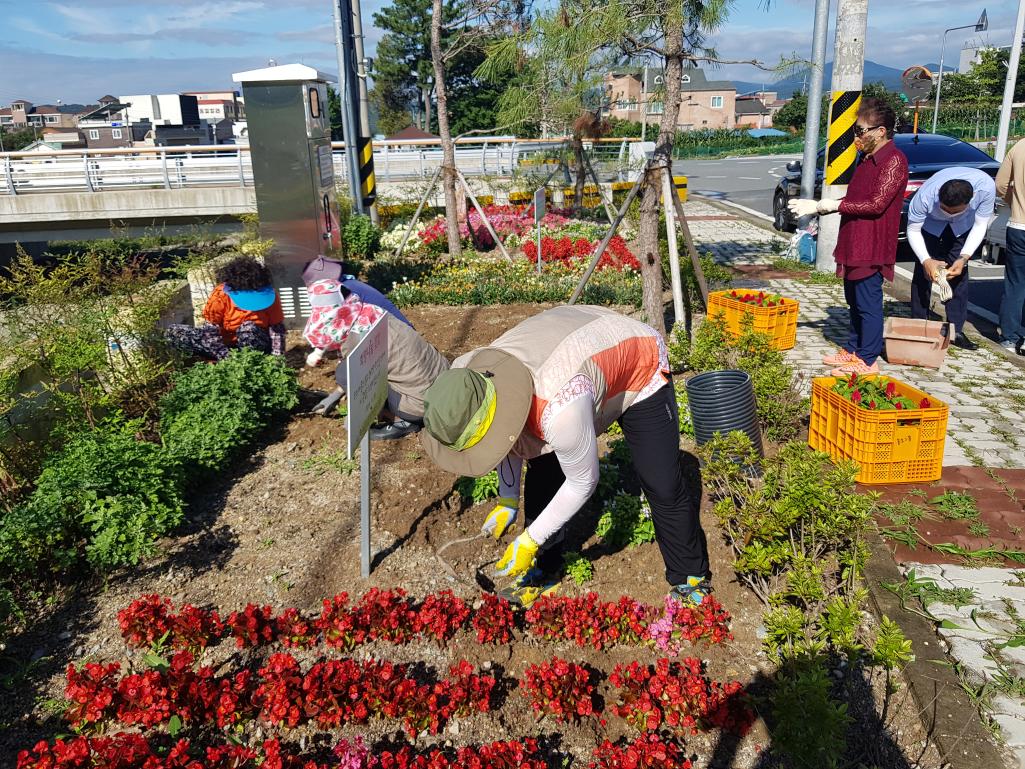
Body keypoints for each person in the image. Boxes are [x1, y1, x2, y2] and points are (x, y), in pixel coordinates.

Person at [419, 305, 710, 608]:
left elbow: (583, 480)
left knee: (661, 480)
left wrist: (531, 539)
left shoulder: (560, 407)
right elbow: (499, 440)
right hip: (570, 347)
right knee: (543, 473)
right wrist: (507, 499)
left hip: (636, 359)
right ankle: (545, 569)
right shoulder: (467, 376)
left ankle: (690, 576)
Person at [788, 98, 909, 375]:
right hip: (854, 238)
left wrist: (829, 205)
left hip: (872, 242)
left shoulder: (893, 161)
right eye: (856, 130)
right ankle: (854, 349)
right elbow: (857, 198)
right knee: (854, 300)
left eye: (861, 130)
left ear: (881, 131)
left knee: (868, 303)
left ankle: (867, 358)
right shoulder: (866, 159)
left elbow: (877, 204)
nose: (858, 136)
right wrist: (824, 206)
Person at [305, 278, 449, 440]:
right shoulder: (370, 311)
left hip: (421, 404)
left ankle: (401, 421)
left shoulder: (356, 337)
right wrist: (335, 395)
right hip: (444, 379)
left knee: (344, 374)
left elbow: (358, 381)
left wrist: (357, 420)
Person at [906, 167, 996, 350]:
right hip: (930, 226)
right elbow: (913, 230)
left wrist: (964, 258)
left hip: (963, 227)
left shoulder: (986, 188)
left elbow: (980, 225)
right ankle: (918, 323)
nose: (948, 214)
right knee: (924, 272)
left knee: (959, 275)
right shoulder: (925, 196)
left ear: (969, 202)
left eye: (954, 211)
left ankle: (956, 330)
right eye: (945, 209)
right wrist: (926, 260)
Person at [166, 256, 286, 360]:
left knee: (248, 329)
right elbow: (209, 331)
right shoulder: (221, 295)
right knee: (174, 332)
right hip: (224, 346)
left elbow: (277, 329)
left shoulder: (268, 296)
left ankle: (251, 361)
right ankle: (204, 361)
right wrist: (225, 356)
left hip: (256, 344)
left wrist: (277, 358)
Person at [996, 140, 1025, 355]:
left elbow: (1001, 184)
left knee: (1015, 283)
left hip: (1018, 225)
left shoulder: (1019, 147)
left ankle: (1009, 337)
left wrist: (1014, 203)